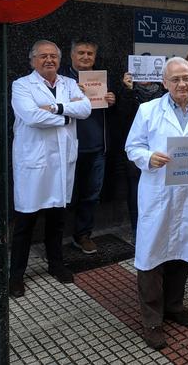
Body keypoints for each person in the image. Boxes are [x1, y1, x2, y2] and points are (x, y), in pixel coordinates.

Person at [125, 57, 188, 350]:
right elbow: (132, 146)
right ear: (165, 83)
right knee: (152, 254)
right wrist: (148, 158)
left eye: (187, 78)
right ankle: (152, 319)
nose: (182, 84)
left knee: (182, 250)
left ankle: (174, 305)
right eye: (176, 79)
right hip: (158, 194)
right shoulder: (147, 110)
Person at [9, 40, 91, 297]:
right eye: (43, 56)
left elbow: (86, 108)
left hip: (62, 160)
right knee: (26, 221)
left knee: (57, 218)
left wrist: (57, 108)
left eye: (53, 56)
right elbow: (32, 117)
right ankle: (16, 275)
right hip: (34, 162)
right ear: (33, 60)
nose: (49, 60)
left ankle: (56, 264)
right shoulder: (22, 85)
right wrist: (68, 116)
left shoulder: (69, 83)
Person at [58, 40, 116, 255]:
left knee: (91, 194)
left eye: (89, 53)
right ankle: (56, 240)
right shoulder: (61, 80)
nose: (85, 57)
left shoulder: (102, 79)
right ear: (71, 55)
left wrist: (112, 100)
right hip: (69, 147)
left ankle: (83, 235)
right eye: (81, 53)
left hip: (96, 148)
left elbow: (113, 113)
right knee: (63, 195)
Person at [116, 72, 165, 238]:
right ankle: (138, 230)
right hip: (137, 149)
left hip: (160, 154)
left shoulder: (163, 94)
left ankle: (157, 229)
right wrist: (128, 91)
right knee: (135, 191)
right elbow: (121, 115)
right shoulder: (129, 91)